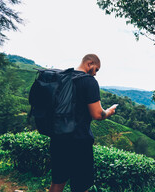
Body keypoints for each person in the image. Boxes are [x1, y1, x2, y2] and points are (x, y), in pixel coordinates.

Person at [48, 54, 117, 192]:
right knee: (81, 186)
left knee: (57, 182)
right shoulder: (89, 82)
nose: (95, 74)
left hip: (58, 138)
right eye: (96, 69)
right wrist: (109, 111)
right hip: (79, 141)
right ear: (90, 63)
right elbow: (98, 114)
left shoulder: (63, 77)